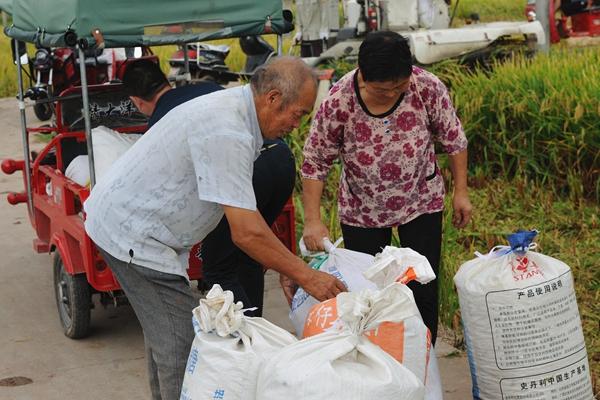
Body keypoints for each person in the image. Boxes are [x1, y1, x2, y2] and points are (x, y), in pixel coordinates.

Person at [84, 56, 346, 400]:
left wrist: (288, 264)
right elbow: (246, 232)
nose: (297, 125)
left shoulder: (239, 113)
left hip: (141, 230)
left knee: (165, 335)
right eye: (298, 113)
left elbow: (246, 214)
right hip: (134, 236)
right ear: (272, 99)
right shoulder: (228, 130)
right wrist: (306, 276)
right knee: (182, 344)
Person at [301, 31, 473, 345]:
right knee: (368, 293)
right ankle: (378, 360)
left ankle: (423, 358)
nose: (393, 93)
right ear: (363, 76)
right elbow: (315, 161)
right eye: (384, 89)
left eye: (399, 86)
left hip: (420, 201)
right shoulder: (339, 101)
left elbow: (453, 139)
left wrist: (461, 191)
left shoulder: (426, 86)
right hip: (362, 209)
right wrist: (312, 220)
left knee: (423, 287)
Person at [122, 58, 297, 317]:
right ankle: (255, 325)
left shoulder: (161, 120)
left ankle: (243, 338)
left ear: (136, 101)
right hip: (282, 161)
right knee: (249, 255)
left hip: (250, 169)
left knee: (219, 267)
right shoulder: (207, 89)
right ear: (167, 82)